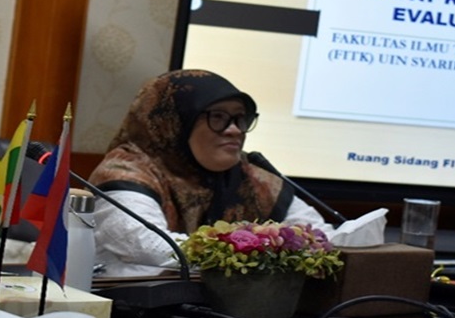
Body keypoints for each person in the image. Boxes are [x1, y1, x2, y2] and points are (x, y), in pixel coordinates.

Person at [88, 69, 329, 277]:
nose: (235, 130)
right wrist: (261, 247)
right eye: (218, 117)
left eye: (240, 118)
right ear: (175, 121)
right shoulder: (125, 171)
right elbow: (150, 245)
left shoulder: (253, 176)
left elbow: (321, 236)